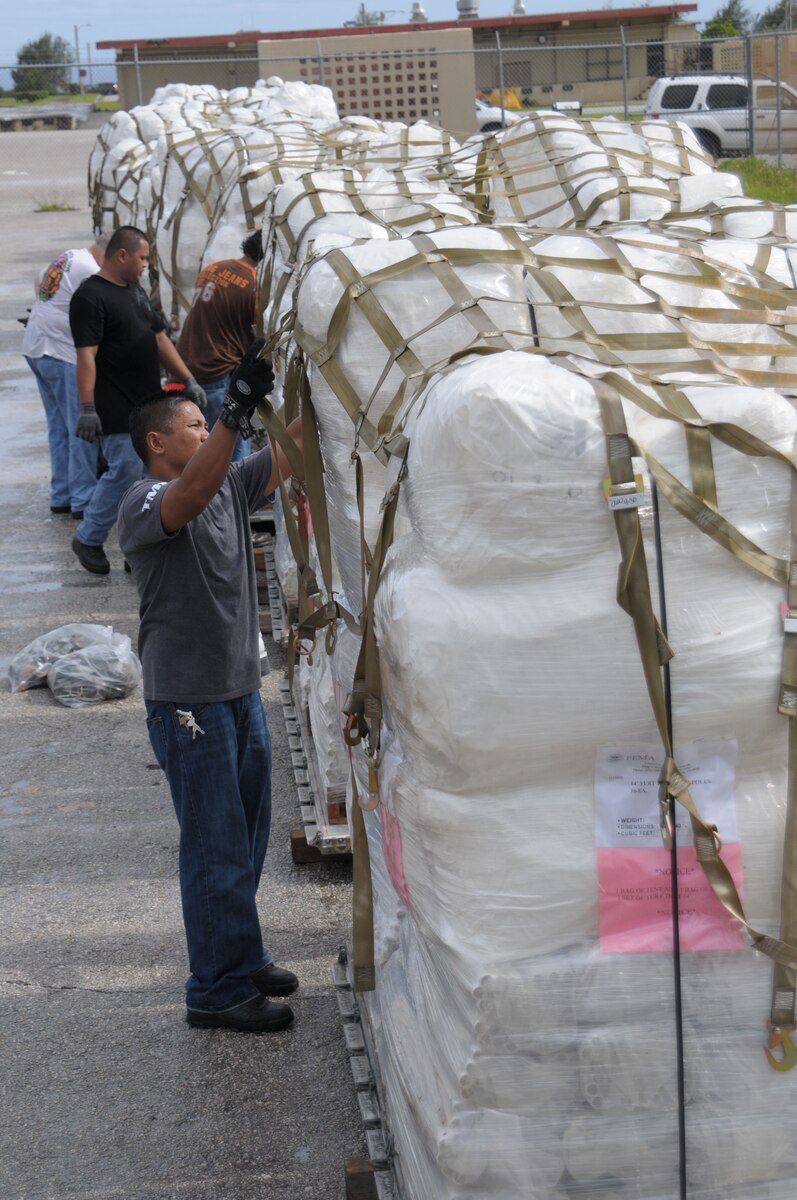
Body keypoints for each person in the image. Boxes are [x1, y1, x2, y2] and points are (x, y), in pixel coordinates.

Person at [118, 339, 304, 1033]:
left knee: (245, 838)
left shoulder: (226, 480)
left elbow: (287, 453)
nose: (207, 431)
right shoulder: (144, 502)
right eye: (194, 425)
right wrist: (233, 409)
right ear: (157, 443)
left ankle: (240, 955)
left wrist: (314, 376)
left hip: (239, 690)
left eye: (208, 423)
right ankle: (215, 989)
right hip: (188, 703)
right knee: (213, 844)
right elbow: (189, 496)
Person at [68, 225, 207, 576]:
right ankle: (89, 537)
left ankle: (141, 545)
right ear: (122, 255)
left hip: (148, 404)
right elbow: (86, 357)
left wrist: (187, 378)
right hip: (115, 405)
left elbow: (159, 338)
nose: (146, 265)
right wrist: (87, 407)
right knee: (124, 472)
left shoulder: (134, 290)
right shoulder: (90, 297)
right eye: (143, 258)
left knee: (152, 476)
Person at [22, 235, 109, 519]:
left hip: (36, 346)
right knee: (82, 427)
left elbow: (39, 281)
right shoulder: (92, 270)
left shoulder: (70, 256)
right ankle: (83, 499)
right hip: (61, 354)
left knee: (58, 427)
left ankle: (61, 494)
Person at [175, 229, 263, 463]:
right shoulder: (254, 284)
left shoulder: (213, 268)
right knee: (232, 447)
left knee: (200, 445)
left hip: (189, 363)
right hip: (218, 370)